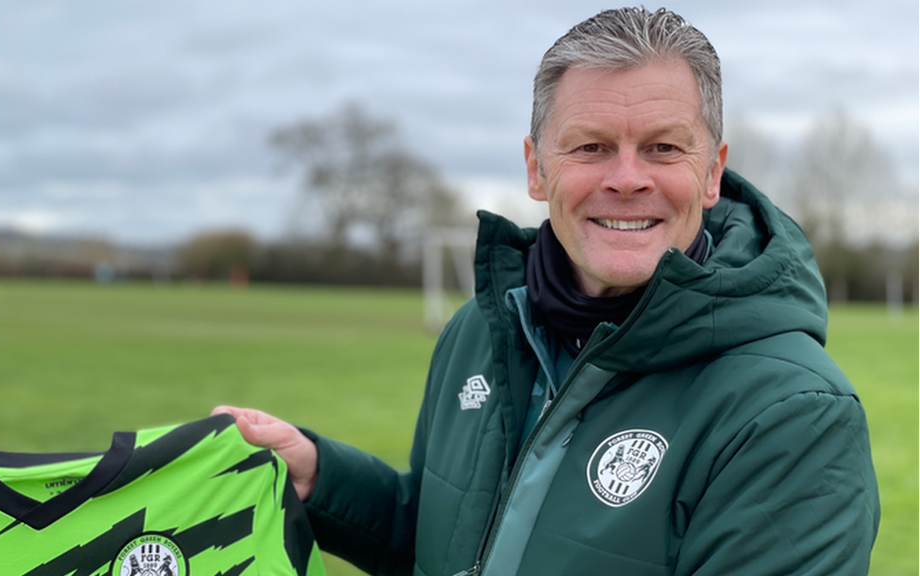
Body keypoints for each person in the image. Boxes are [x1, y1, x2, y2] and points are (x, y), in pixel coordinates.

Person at [214, 7, 880, 575]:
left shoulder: (793, 412)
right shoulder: (482, 329)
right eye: (590, 147)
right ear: (536, 167)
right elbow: (456, 539)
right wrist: (319, 480)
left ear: (712, 173)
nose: (626, 178)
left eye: (662, 149)